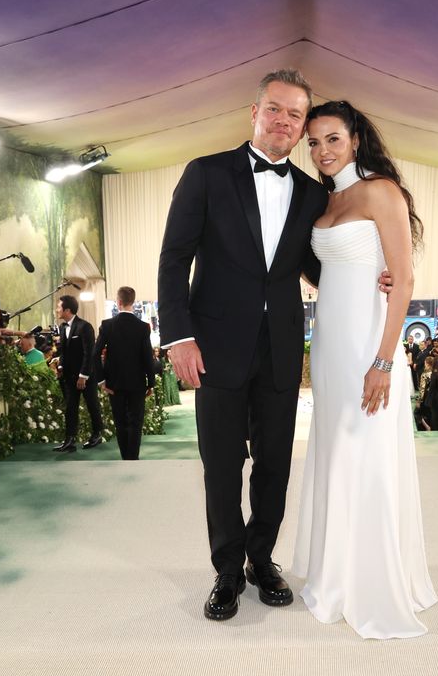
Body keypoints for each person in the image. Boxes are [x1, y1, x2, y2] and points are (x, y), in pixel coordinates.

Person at [157, 69, 330, 622]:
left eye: (295, 114)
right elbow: (173, 259)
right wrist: (179, 335)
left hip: (281, 348)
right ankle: (227, 570)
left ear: (303, 127)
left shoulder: (311, 193)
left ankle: (262, 558)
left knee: (276, 462)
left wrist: (368, 278)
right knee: (222, 465)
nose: (283, 120)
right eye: (274, 109)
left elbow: (312, 267)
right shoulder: (205, 174)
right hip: (214, 347)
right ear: (252, 112)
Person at [292, 99, 437, 640]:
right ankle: (334, 569)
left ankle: (368, 579)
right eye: (313, 142)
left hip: (368, 347)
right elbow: (330, 269)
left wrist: (383, 360)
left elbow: (404, 279)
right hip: (329, 343)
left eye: (331, 138)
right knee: (333, 448)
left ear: (355, 138)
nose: (321, 150)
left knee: (365, 449)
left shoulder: (380, 190)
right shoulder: (326, 200)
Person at [92, 286, 157, 460]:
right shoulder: (143, 327)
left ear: (118, 302)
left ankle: (124, 458)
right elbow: (147, 357)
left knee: (120, 422)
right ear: (133, 302)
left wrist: (101, 380)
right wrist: (151, 382)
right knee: (136, 422)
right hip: (137, 383)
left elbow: (95, 353)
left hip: (114, 383)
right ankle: (133, 458)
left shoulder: (107, 325)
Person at [53, 294, 104, 453]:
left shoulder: (85, 327)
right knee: (70, 408)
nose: (57, 310)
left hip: (86, 376)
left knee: (92, 405)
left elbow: (90, 353)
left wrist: (83, 376)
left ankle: (97, 434)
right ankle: (69, 440)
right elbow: (63, 352)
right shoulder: (62, 327)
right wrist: (60, 367)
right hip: (68, 376)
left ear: (67, 310)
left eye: (59, 307)